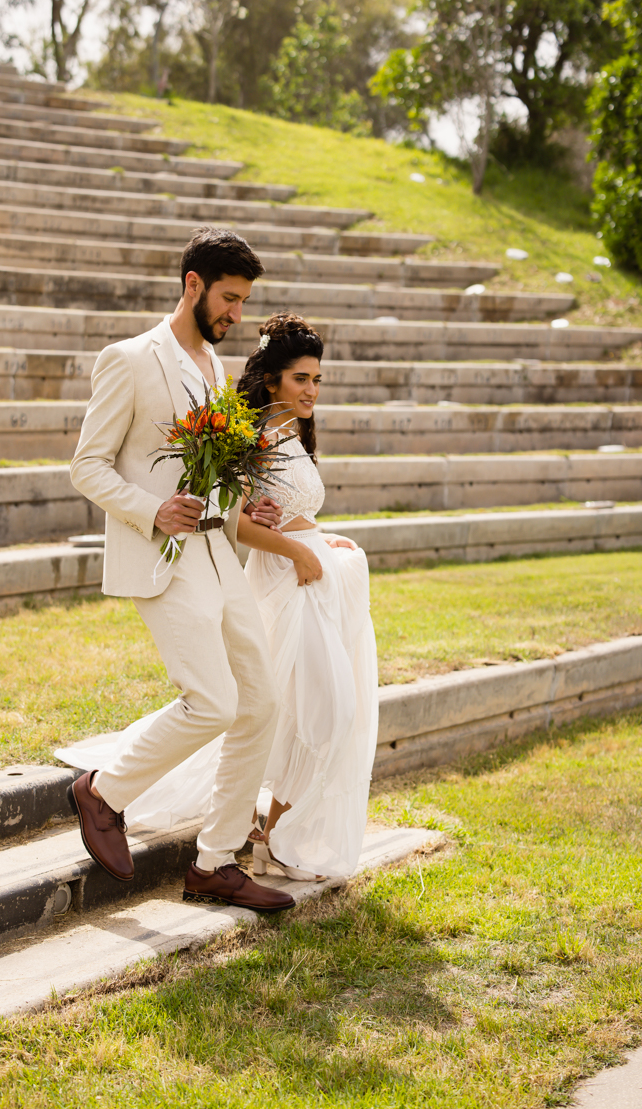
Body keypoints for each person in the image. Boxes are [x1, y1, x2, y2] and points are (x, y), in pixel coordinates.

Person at [67, 227, 295, 914]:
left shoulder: (212, 369)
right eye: (228, 298)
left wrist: (239, 502)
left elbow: (208, 473)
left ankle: (216, 863)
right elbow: (86, 465)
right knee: (214, 702)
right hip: (161, 556)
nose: (235, 314)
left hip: (215, 552)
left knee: (259, 703)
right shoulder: (129, 359)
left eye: (243, 301)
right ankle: (101, 792)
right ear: (192, 284)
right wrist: (150, 510)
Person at [235, 311, 379, 881]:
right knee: (324, 712)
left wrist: (316, 534)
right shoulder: (248, 440)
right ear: (271, 380)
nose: (312, 390)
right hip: (283, 576)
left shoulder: (293, 431)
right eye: (300, 379)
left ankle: (272, 834)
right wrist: (296, 549)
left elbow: (292, 510)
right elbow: (234, 524)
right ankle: (272, 832)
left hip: (315, 572)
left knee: (313, 714)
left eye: (317, 380)